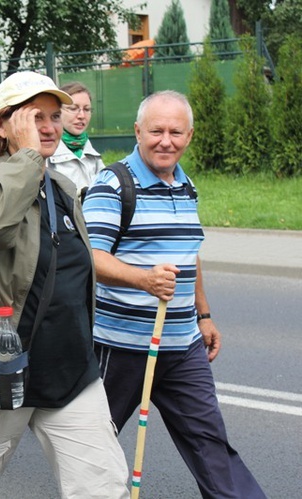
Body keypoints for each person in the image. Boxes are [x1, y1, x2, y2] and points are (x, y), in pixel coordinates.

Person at [0, 71, 130, 498]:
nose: (49, 127)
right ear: (1, 124)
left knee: (104, 486)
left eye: (54, 116)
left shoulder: (64, 187)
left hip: (69, 371)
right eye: (36, 117)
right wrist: (30, 156)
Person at [82, 90, 266, 498]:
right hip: (122, 345)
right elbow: (91, 257)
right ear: (137, 131)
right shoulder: (113, 184)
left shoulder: (187, 185)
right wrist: (144, 279)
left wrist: (203, 314)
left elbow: (189, 255)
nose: (166, 140)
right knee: (92, 447)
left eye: (175, 132)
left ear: (190, 135)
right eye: (156, 131)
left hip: (182, 344)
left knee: (210, 442)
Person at [47, 81, 105, 198]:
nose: (81, 116)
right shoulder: (45, 154)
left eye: (87, 109)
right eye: (73, 108)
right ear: (57, 112)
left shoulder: (93, 155)